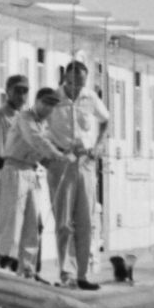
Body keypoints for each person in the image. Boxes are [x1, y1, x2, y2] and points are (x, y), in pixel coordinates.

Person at [48, 57, 111, 287]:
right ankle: (67, 274)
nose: (77, 87)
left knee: (85, 219)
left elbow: (106, 120)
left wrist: (99, 145)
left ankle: (82, 274)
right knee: (63, 222)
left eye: (81, 82)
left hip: (85, 163)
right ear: (65, 77)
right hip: (62, 162)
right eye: (73, 82)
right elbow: (37, 124)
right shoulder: (52, 99)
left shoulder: (90, 97)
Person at [0, 74, 55, 277]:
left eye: (25, 91)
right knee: (11, 225)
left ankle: (27, 270)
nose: (22, 95)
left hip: (30, 172)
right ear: (8, 91)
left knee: (33, 225)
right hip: (12, 170)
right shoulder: (1, 116)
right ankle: (5, 269)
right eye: (17, 90)